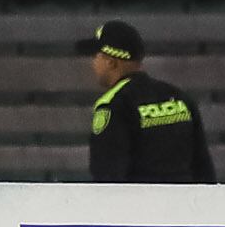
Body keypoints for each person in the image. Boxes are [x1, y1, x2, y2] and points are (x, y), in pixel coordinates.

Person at [84, 19, 215, 183]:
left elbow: (107, 176)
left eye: (96, 56)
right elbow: (204, 169)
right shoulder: (179, 97)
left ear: (110, 62)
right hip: (183, 205)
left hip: (141, 206)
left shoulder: (113, 104)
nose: (93, 63)